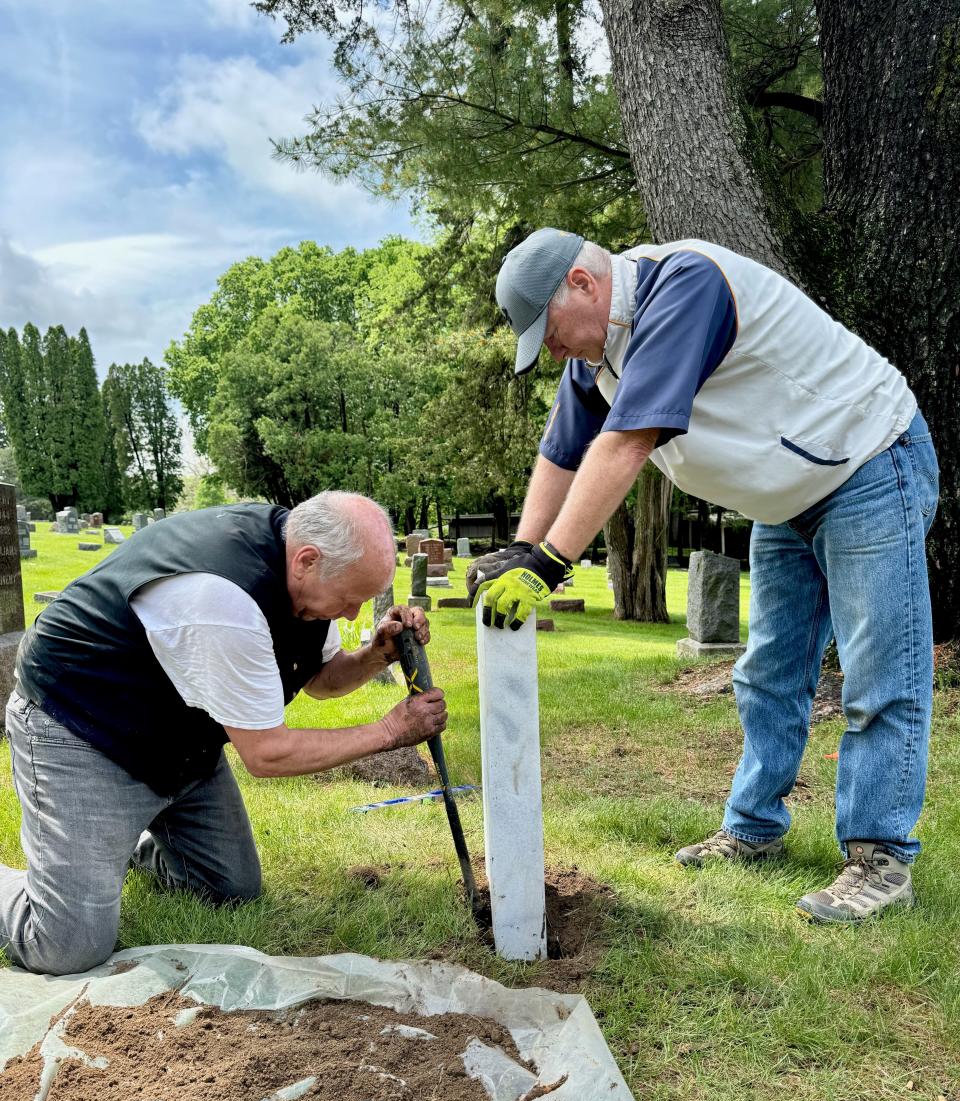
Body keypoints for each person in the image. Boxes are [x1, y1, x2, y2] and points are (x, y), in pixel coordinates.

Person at [473, 228, 939, 924]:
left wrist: (552, 563)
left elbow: (626, 443)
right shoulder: (600, 355)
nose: (553, 351)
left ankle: (879, 858)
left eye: (551, 330)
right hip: (786, 496)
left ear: (582, 282)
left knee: (878, 675)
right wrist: (520, 546)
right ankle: (753, 833)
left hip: (867, 459)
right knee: (768, 674)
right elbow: (562, 453)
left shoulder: (683, 286)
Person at [1, 492, 446, 975]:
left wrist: (377, 654)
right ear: (307, 560)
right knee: (68, 945)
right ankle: (71, 862)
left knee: (229, 889)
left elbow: (320, 679)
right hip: (83, 726)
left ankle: (109, 849)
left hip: (179, 739)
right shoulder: (223, 597)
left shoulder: (300, 577)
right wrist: (390, 730)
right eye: (350, 598)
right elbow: (267, 754)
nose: (354, 614)